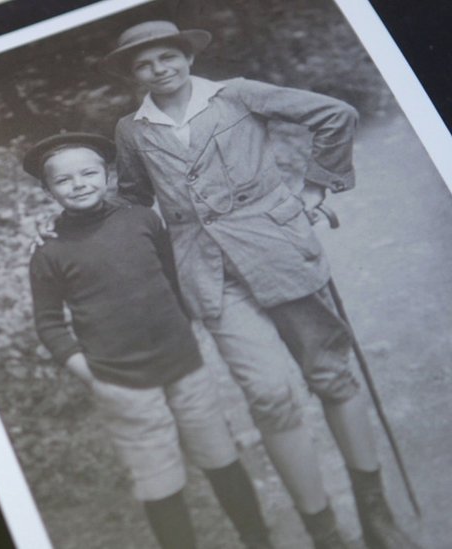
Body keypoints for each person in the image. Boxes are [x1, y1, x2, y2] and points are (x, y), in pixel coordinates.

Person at [95, 20, 419, 548]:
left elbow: (334, 116)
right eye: (144, 64)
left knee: (331, 375)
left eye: (167, 57)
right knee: (269, 396)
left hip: (281, 251)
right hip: (209, 272)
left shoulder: (237, 96)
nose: (160, 69)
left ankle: (374, 511)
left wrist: (315, 189)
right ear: (134, 75)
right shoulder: (132, 129)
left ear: (188, 57)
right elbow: (133, 200)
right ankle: (325, 533)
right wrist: (84, 222)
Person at [26, 132, 271, 549]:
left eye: (89, 173)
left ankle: (257, 539)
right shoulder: (48, 253)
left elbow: (174, 277)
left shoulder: (141, 219)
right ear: (47, 189)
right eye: (64, 180)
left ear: (108, 175)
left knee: (220, 455)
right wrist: (88, 372)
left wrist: (188, 327)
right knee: (158, 478)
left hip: (183, 362)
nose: (79, 184)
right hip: (120, 380)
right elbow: (49, 323)